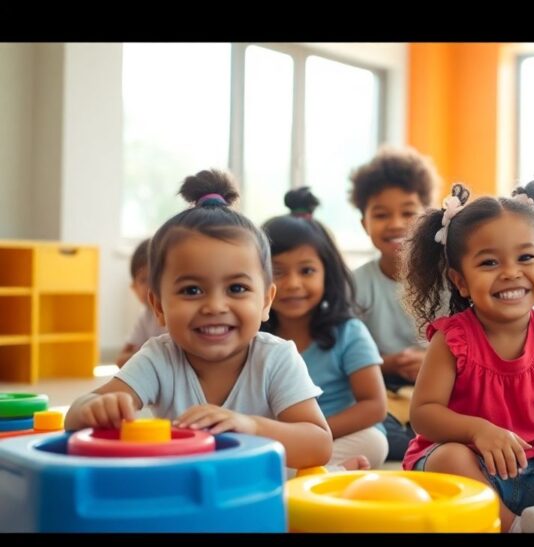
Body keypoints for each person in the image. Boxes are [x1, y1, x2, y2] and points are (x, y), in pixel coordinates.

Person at [64, 169, 333, 471]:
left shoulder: (276, 358)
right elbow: (74, 415)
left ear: (266, 301)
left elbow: (319, 444)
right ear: (158, 306)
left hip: (259, 501)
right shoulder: (159, 358)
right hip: (186, 502)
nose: (215, 306)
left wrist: (251, 426)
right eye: (192, 290)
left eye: (237, 288)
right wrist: (94, 408)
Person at [401, 180, 534, 533]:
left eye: (526, 257)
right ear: (461, 281)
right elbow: (423, 415)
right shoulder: (452, 339)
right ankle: (511, 526)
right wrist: (479, 431)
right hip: (473, 471)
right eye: (489, 262)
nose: (510, 272)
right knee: (450, 456)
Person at [262, 186, 388, 470]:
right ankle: (322, 475)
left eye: (306, 271)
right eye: (278, 272)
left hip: (336, 438)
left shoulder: (349, 332)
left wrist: (313, 437)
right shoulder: (255, 340)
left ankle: (301, 475)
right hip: (277, 442)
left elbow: (374, 405)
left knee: (374, 443)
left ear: (327, 274)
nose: (293, 284)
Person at [348, 146, 439, 459]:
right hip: (381, 387)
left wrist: (431, 364)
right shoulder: (355, 284)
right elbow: (343, 354)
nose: (396, 224)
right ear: (364, 223)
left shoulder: (452, 278)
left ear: (428, 217)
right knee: (376, 430)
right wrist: (388, 363)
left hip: (444, 384)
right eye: (381, 214)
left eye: (408, 212)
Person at [116, 238, 167, 367]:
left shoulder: (176, 313)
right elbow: (121, 359)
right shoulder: (145, 317)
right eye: (144, 280)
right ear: (134, 288)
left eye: (157, 278)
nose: (152, 285)